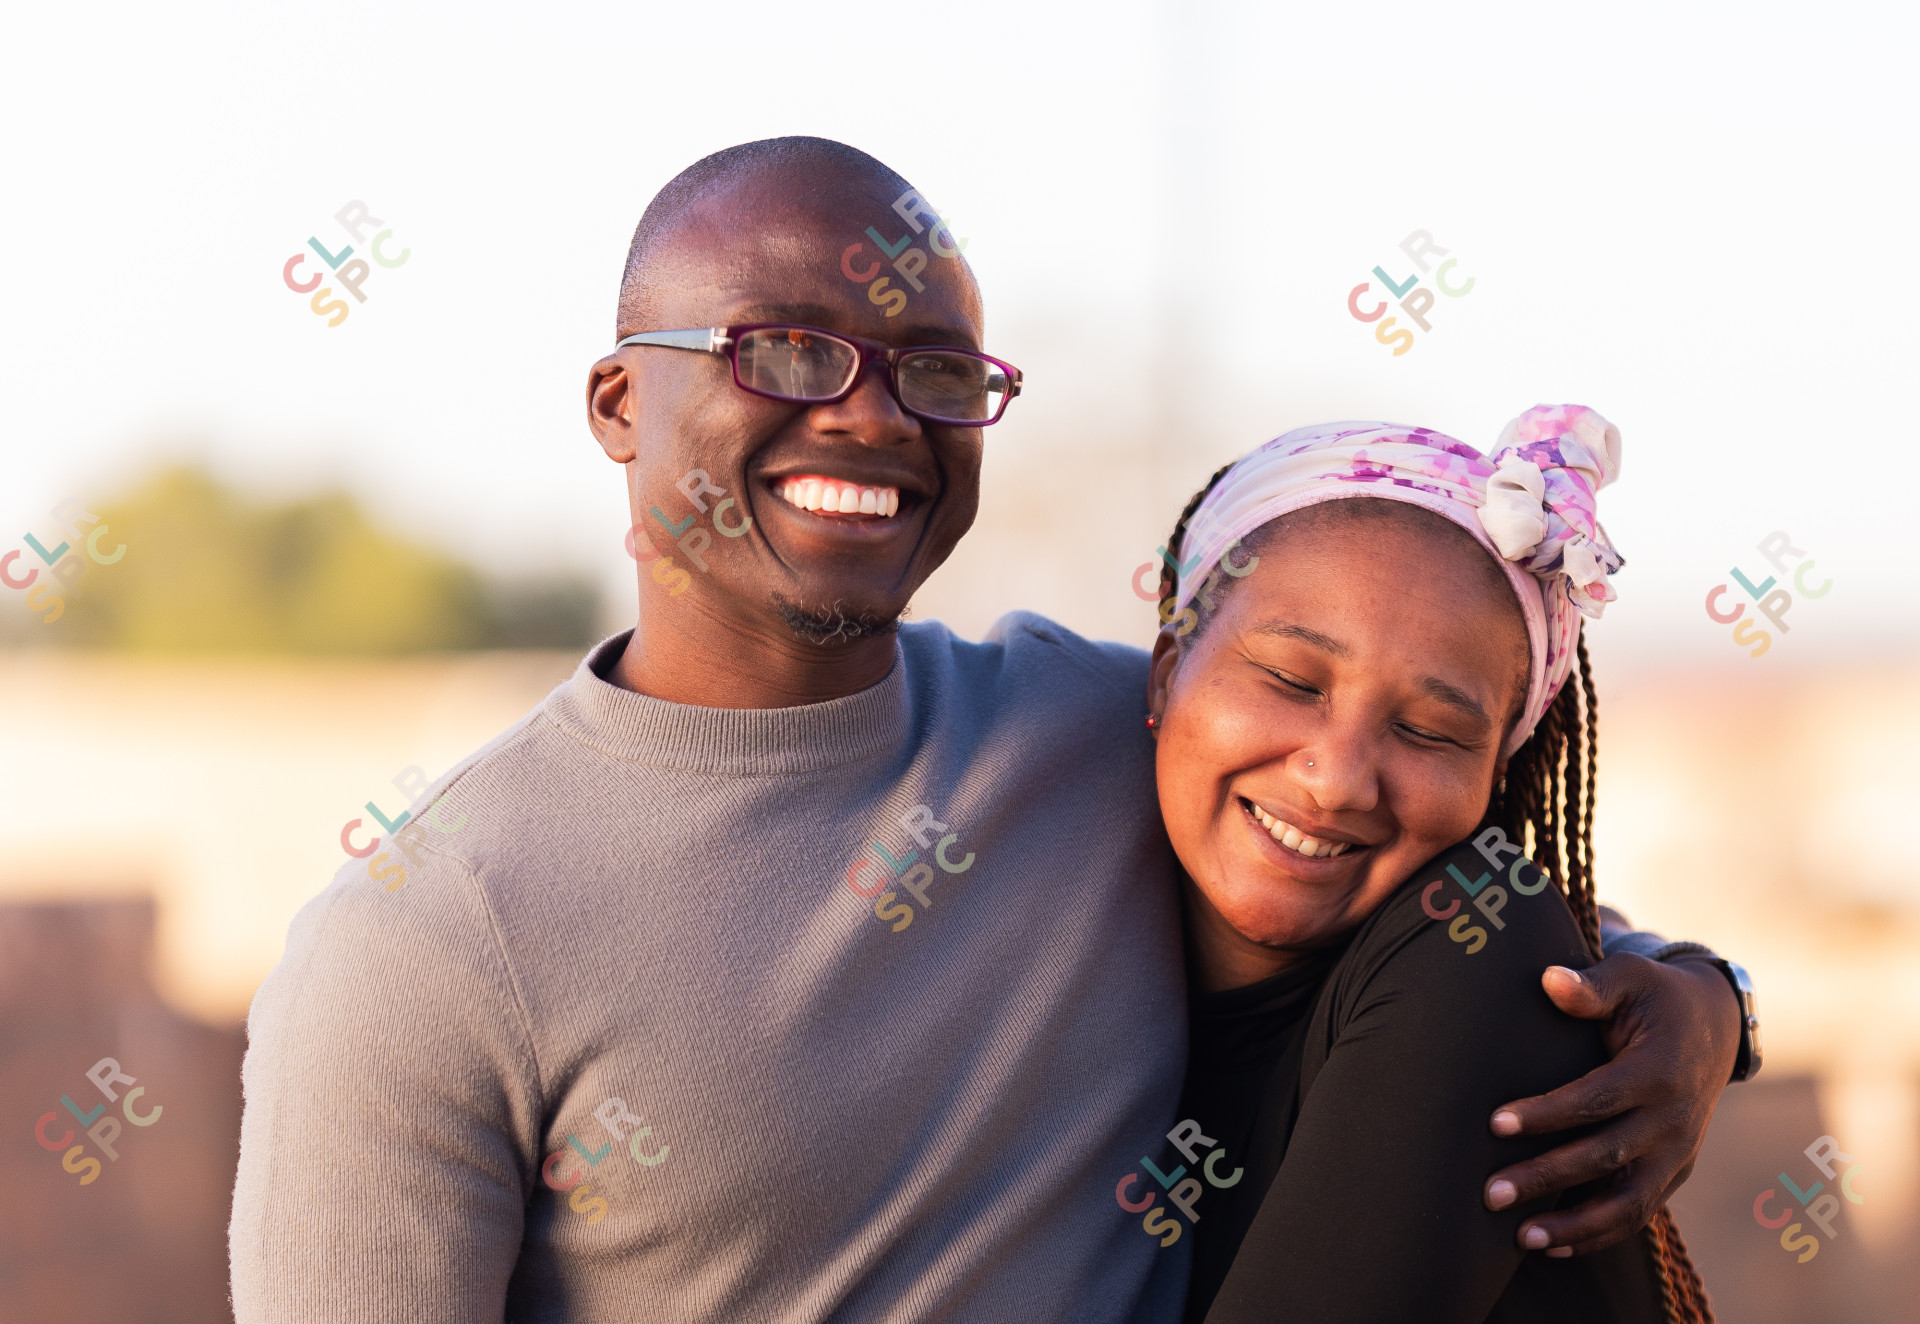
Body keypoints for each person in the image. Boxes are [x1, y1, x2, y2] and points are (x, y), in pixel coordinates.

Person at [229, 140, 1752, 1323]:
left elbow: (1458, 905)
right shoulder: (423, 942)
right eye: (784, 349)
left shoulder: (1093, 734)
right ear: (622, 403)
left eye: (936, 373)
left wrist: (1705, 999)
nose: (873, 416)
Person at [1133, 412, 1726, 1323]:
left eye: (1429, 732)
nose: (1335, 782)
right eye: (1292, 681)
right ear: (1167, 672)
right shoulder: (1059, 871)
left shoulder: (1482, 952)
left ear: (1498, 779)